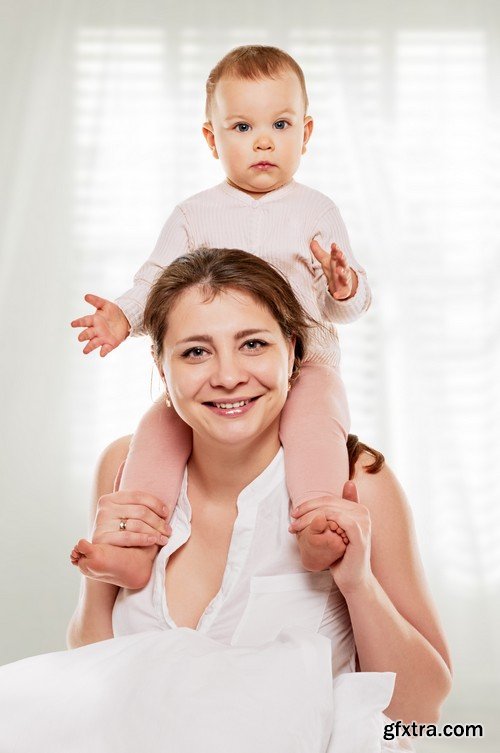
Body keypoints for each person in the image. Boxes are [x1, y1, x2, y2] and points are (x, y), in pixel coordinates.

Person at [68, 248, 452, 736]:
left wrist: (358, 585)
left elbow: (423, 711)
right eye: (195, 351)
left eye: (252, 344)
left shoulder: (358, 484)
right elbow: (90, 662)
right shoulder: (122, 468)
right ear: (162, 369)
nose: (228, 376)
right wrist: (97, 571)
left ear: (292, 352)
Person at [70, 45, 372, 587]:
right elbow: (158, 283)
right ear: (212, 138)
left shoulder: (317, 210)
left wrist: (345, 288)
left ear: (305, 134)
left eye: (280, 124)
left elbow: (342, 305)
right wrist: (122, 316)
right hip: (211, 365)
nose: (262, 141)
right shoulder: (194, 214)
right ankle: (135, 546)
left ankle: (316, 523)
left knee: (315, 424)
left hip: (306, 362)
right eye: (241, 126)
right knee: (158, 428)